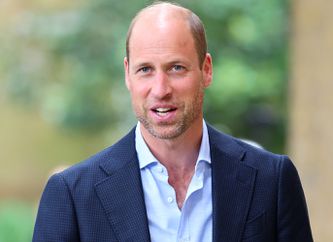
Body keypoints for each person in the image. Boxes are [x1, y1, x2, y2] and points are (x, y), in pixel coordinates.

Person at [33, 2, 313, 242]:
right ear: (128, 74)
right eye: (145, 70)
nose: (161, 89)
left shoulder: (271, 180)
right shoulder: (72, 194)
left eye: (176, 68)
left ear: (206, 70)